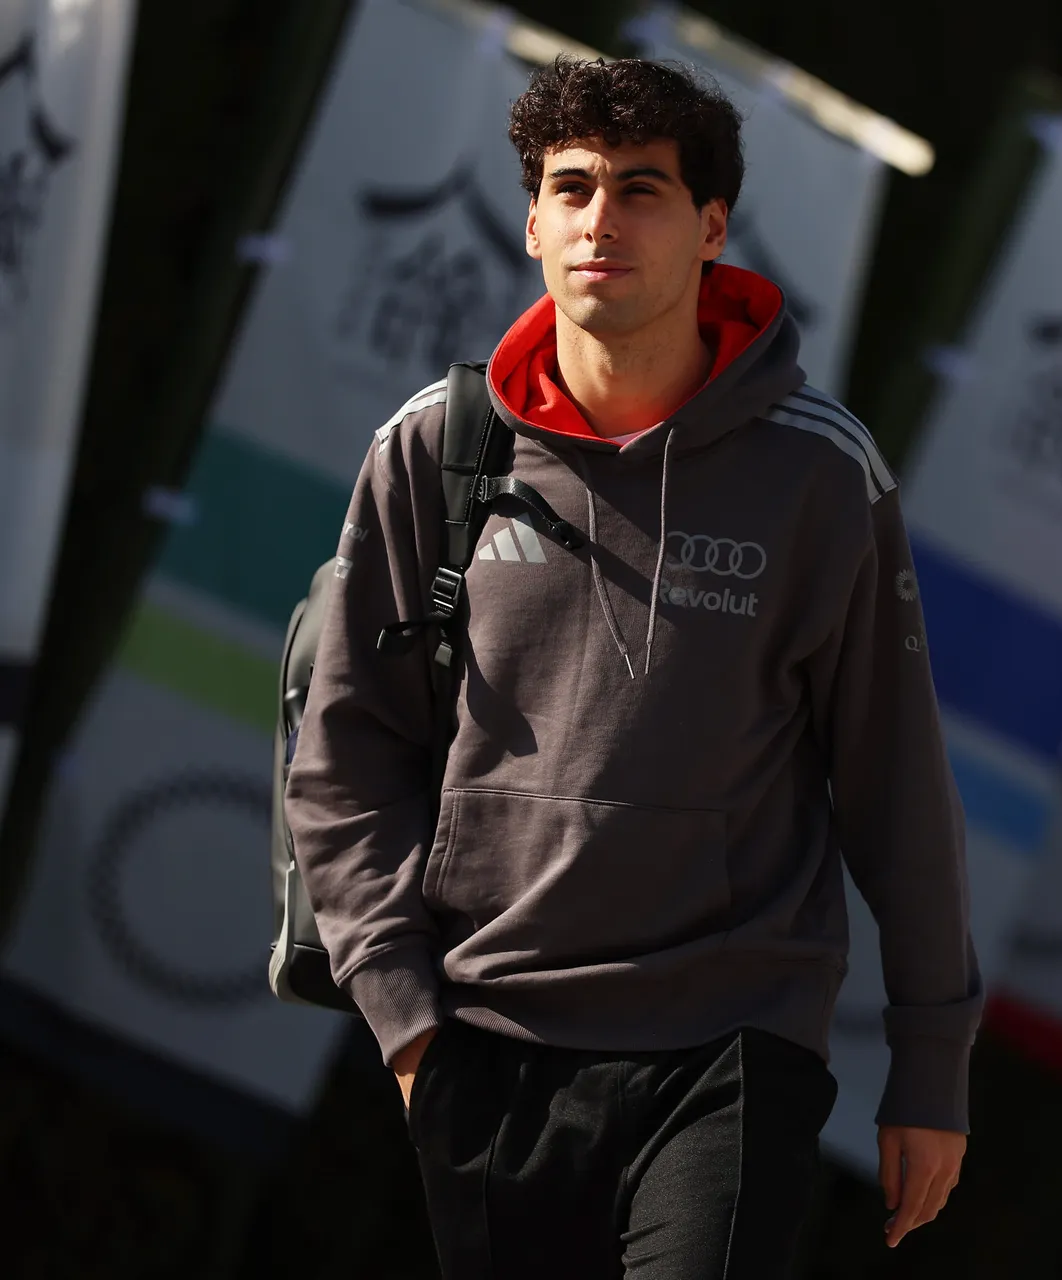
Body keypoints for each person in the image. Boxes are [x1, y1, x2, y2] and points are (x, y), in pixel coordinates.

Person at [285, 54, 978, 1278]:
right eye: (574, 186)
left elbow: (896, 784)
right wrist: (407, 1025)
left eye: (644, 189)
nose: (603, 218)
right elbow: (342, 760)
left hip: (734, 1037)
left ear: (713, 227)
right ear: (534, 219)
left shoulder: (821, 471)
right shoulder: (434, 451)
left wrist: (932, 1057)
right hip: (485, 1032)